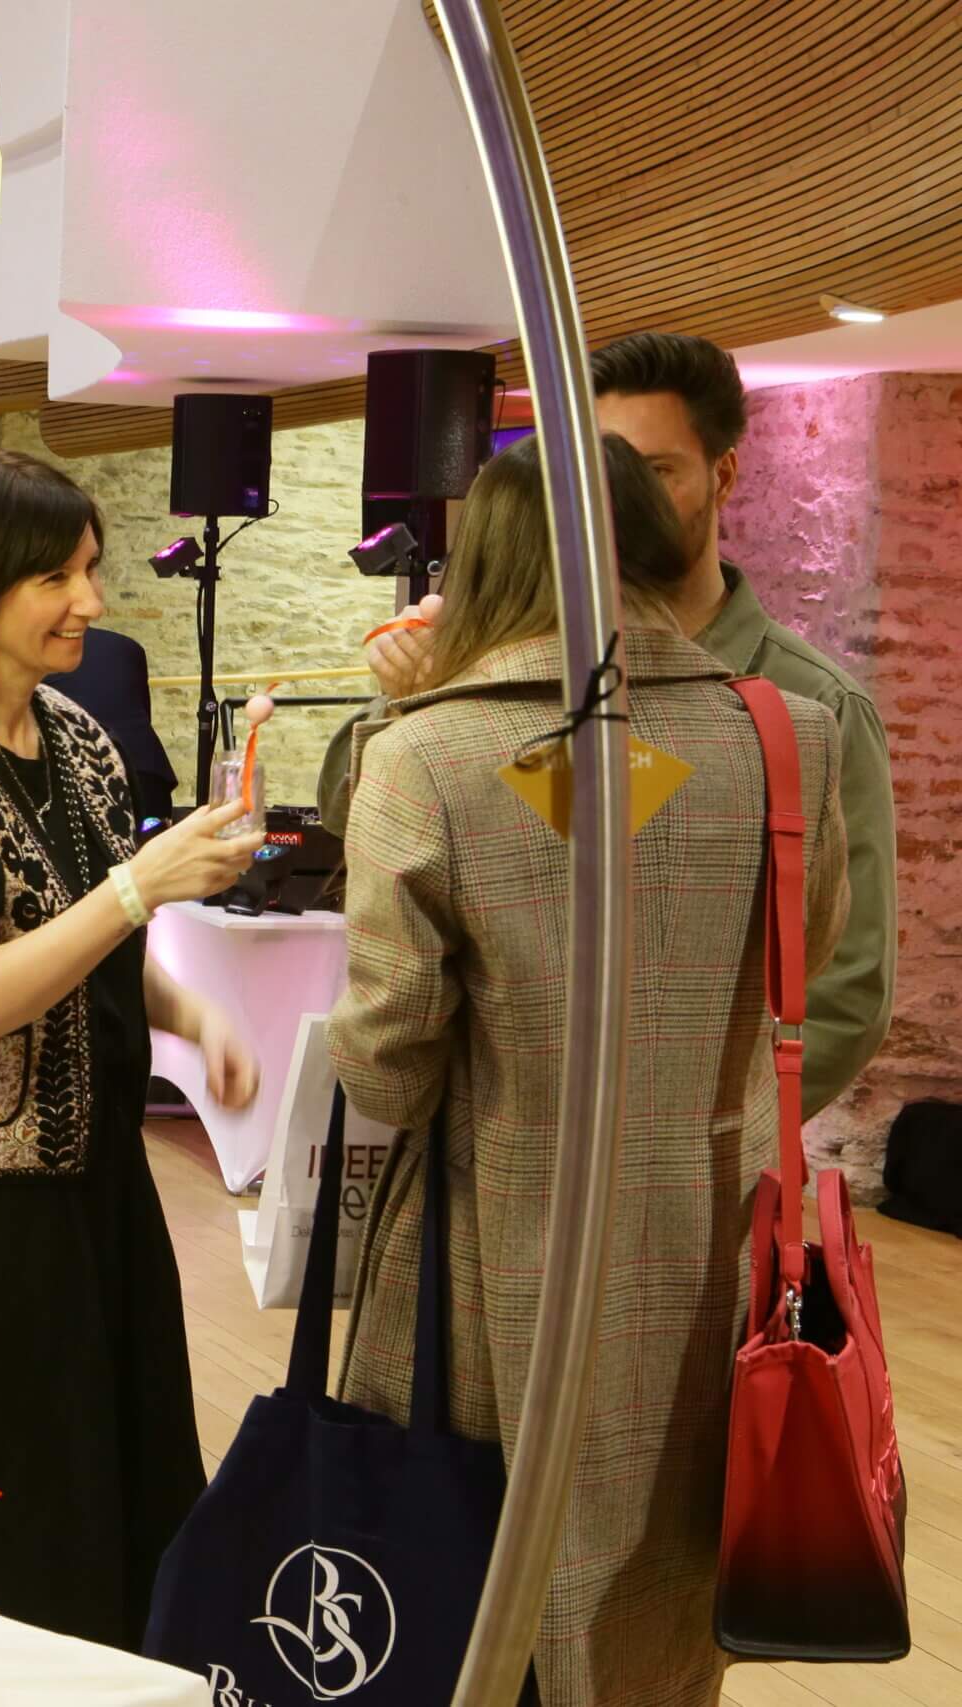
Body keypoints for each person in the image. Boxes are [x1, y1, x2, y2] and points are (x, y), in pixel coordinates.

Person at [329, 434, 849, 1707]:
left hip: (488, 1244)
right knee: (659, 1606)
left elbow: (386, 1069)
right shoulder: (793, 737)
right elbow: (806, 959)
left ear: (484, 565)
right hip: (715, 1242)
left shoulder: (423, 757)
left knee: (464, 1604)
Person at [0, 447, 265, 1648]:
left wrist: (190, 1017)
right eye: (59, 578)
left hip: (94, 1195)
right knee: (3, 1529)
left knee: (119, 1486)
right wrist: (140, 886)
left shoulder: (74, 737)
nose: (92, 602)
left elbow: (83, 944)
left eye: (89, 571)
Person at [320, 333, 892, 1115]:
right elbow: (359, 833)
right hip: (511, 1142)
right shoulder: (509, 667)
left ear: (722, 474)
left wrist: (711, 1136)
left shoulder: (812, 708)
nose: (613, 508)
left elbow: (844, 988)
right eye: (597, 474)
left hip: (704, 1177)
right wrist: (422, 699)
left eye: (650, 473)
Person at [44, 625, 179, 824]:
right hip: (144, 766)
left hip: (79, 772)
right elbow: (142, 709)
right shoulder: (125, 645)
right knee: (151, 839)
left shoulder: (37, 651)